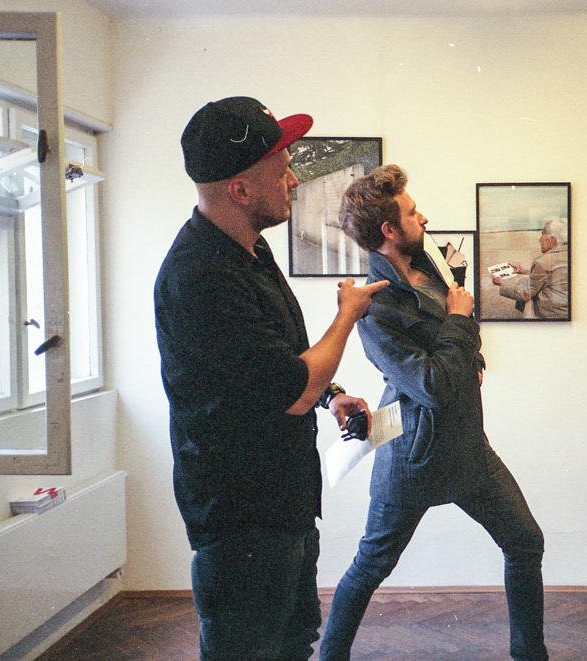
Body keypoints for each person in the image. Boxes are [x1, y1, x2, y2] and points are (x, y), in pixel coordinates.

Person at [154, 96, 388, 661]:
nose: (293, 180)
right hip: (242, 519)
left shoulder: (250, 251)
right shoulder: (201, 275)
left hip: (282, 503)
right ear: (240, 189)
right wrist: (347, 316)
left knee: (291, 642)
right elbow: (293, 388)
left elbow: (277, 363)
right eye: (281, 170)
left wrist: (331, 396)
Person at [320, 164, 548, 661]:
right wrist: (462, 321)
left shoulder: (429, 266)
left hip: (468, 446)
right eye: (411, 212)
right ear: (389, 229)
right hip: (413, 457)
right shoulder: (374, 310)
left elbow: (460, 343)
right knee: (371, 565)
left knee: (525, 542)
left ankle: (530, 655)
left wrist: (474, 356)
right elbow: (431, 386)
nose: (422, 217)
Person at [490, 216, 569, 319]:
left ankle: (529, 320)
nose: (540, 240)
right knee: (525, 281)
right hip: (568, 309)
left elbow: (525, 293)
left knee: (523, 284)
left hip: (553, 312)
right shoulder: (569, 254)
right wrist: (524, 271)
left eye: (542, 235)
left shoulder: (545, 261)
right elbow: (552, 275)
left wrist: (501, 283)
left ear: (552, 240)